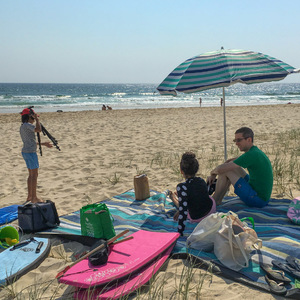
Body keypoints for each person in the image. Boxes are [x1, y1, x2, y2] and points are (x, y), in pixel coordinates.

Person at [207, 127, 273, 208]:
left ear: (249, 139)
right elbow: (229, 161)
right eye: (235, 141)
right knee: (230, 167)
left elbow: (222, 169)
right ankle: (217, 200)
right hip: (260, 195)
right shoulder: (254, 151)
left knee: (226, 170)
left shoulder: (251, 155)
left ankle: (215, 201)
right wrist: (214, 174)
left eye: (239, 140)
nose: (236, 143)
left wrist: (212, 173)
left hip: (258, 200)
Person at [169, 152, 216, 236]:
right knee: (203, 197)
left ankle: (173, 198)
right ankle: (178, 197)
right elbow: (203, 195)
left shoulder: (181, 187)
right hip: (211, 210)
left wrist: (180, 232)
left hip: (197, 217)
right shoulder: (201, 180)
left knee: (183, 205)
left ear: (181, 171)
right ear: (196, 169)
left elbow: (183, 212)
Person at [20, 108, 53, 203]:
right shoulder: (27, 125)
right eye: (33, 118)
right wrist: (38, 120)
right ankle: (34, 197)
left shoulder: (23, 126)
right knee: (34, 175)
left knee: (31, 174)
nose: (34, 120)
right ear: (29, 117)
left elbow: (31, 142)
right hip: (30, 153)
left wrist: (43, 144)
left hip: (26, 151)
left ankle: (30, 196)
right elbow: (38, 129)